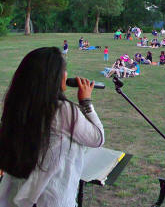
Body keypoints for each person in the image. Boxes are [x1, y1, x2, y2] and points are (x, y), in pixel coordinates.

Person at [0, 47, 105, 207]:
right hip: (49, 196)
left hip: (14, 192)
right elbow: (97, 138)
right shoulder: (62, 110)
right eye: (64, 71)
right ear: (55, 77)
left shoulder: (16, 104)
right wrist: (86, 102)